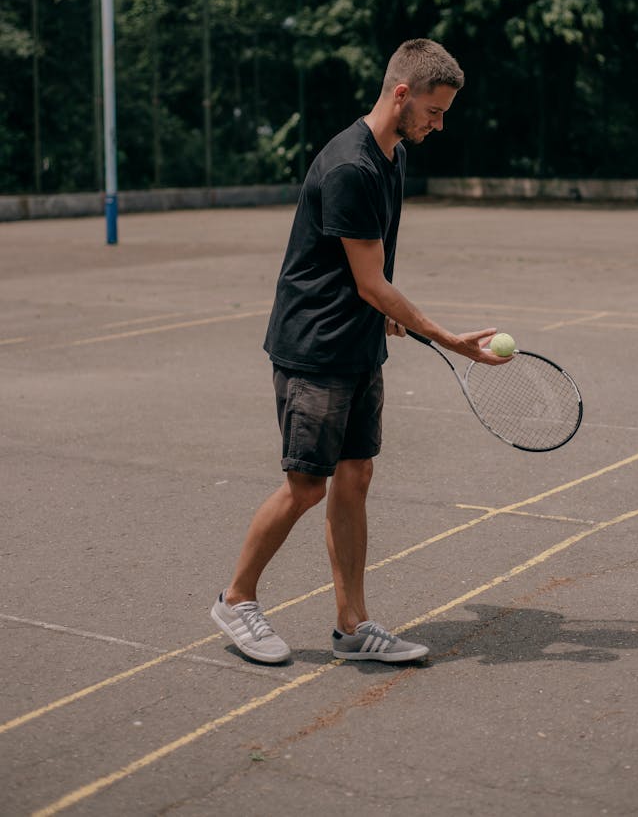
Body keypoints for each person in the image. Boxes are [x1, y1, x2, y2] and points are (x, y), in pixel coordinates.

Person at [211, 38, 509, 665]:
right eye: (434, 110)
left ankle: (353, 625)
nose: (440, 123)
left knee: (355, 477)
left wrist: (383, 315)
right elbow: (371, 280)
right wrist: (447, 337)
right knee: (305, 485)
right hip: (314, 345)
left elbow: (368, 274)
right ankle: (236, 600)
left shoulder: (392, 154)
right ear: (402, 94)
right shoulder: (350, 165)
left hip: (356, 341)